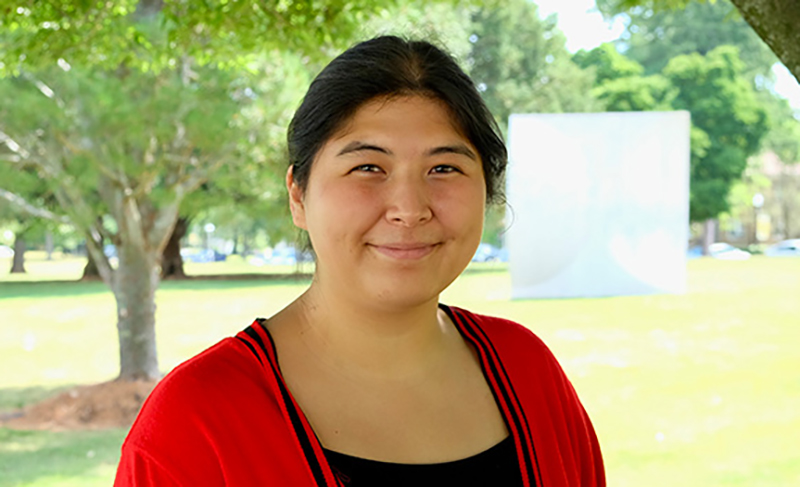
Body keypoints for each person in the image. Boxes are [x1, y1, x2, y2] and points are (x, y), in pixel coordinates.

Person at [114, 35, 604, 487]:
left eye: (444, 168)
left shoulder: (526, 369)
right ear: (298, 196)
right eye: (368, 167)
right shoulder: (195, 421)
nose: (410, 209)